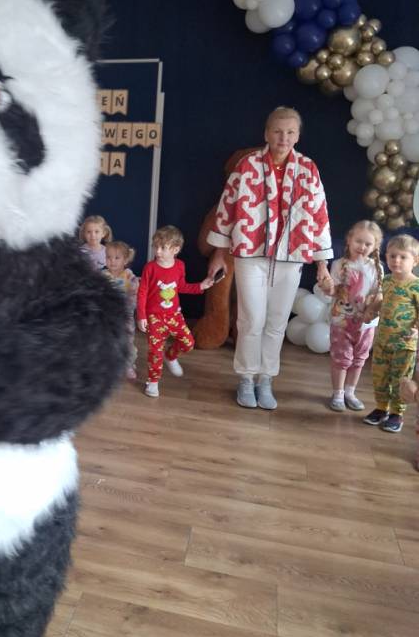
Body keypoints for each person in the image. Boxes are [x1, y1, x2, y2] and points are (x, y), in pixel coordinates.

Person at [206, 106, 333, 410]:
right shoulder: (247, 165)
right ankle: (246, 377)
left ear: (298, 135)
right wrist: (219, 253)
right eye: (277, 131)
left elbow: (319, 214)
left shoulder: (308, 169)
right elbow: (227, 208)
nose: (283, 137)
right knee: (251, 319)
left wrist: (322, 264)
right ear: (266, 133)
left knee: (277, 321)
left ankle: (266, 379)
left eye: (290, 132)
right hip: (251, 254)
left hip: (291, 256)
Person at [137, 225, 213, 397]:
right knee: (155, 351)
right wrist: (141, 315)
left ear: (175, 249)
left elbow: (181, 287)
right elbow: (142, 293)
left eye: (163, 247)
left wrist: (201, 286)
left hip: (174, 316)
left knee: (188, 343)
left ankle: (170, 355)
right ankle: (153, 382)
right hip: (154, 317)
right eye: (156, 246)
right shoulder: (150, 268)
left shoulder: (179, 266)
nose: (158, 251)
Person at [319, 220, 383, 412]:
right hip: (342, 322)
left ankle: (350, 392)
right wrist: (327, 288)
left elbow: (379, 294)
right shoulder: (339, 265)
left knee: (359, 359)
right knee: (341, 358)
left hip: (366, 325)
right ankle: (338, 393)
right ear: (349, 240)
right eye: (358, 241)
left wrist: (373, 306)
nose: (362, 247)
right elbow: (333, 291)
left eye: (368, 244)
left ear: (375, 246)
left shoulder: (377, 268)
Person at [362, 234, 419, 433]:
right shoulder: (386, 281)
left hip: (404, 344)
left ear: (415, 260)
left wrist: (416, 330)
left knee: (400, 379)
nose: (396, 261)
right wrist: (371, 310)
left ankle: (397, 413)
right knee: (379, 376)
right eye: (392, 256)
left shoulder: (416, 286)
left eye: (403, 257)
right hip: (383, 340)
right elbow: (381, 300)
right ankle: (381, 408)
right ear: (386, 257)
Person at [104, 240, 139, 379]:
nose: (112, 261)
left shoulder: (129, 276)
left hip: (124, 315)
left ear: (125, 260)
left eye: (117, 258)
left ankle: (128, 364)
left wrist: (129, 301)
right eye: (108, 257)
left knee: (127, 341)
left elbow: (134, 294)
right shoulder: (103, 276)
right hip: (108, 316)